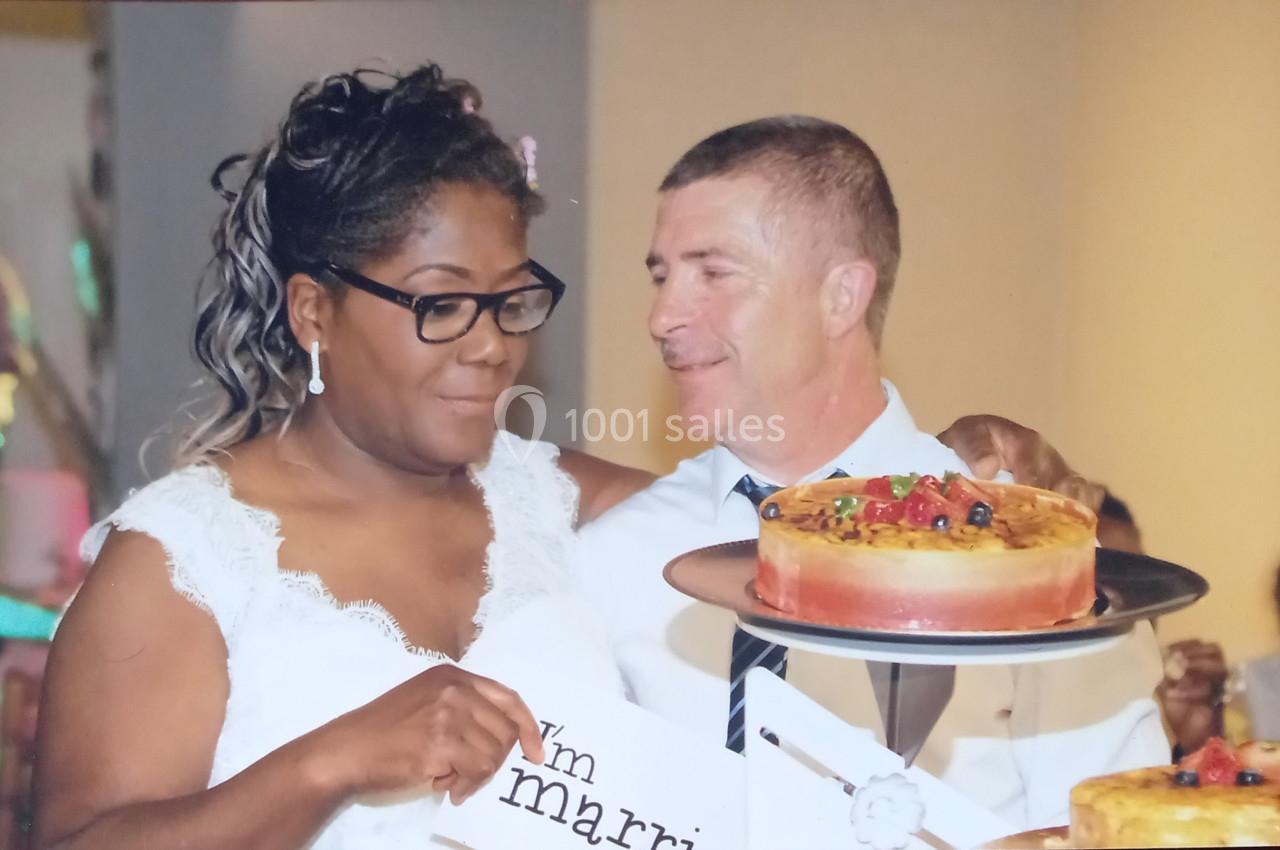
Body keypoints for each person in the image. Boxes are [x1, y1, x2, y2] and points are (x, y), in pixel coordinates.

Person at [31, 65, 641, 850]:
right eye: (441, 304)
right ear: (316, 312)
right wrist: (330, 765)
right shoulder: (183, 558)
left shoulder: (557, 500)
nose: (493, 346)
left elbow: (785, 533)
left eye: (511, 302)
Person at [580, 116, 1170, 831]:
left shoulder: (1035, 558)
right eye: (663, 276)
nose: (664, 315)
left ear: (842, 296)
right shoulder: (613, 558)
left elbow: (1113, 822)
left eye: (712, 272)